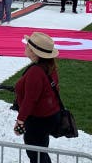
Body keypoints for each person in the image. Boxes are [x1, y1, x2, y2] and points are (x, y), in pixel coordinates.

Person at [13, 32, 61, 163]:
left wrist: (20, 121)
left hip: (38, 120)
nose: (25, 46)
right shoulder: (49, 66)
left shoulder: (36, 71)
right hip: (49, 117)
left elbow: (30, 100)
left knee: (36, 154)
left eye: (28, 45)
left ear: (34, 52)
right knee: (41, 151)